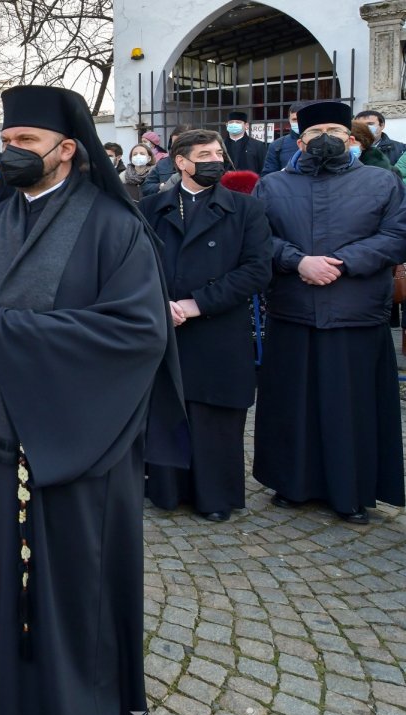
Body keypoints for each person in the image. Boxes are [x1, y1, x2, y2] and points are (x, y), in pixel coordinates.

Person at [0, 85, 186, 715]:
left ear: (66, 150)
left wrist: (7, 331)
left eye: (23, 143)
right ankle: (3, 700)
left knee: (64, 590)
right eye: (6, 140)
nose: (6, 154)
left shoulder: (113, 225)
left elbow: (138, 332)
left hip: (70, 448)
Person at [252, 100, 406, 523]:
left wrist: (342, 261)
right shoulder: (272, 186)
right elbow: (258, 239)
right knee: (292, 405)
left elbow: (397, 234)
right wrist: (298, 261)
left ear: (351, 140)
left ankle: (351, 491)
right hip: (294, 310)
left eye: (335, 133)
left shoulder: (383, 181)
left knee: (351, 408)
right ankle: (291, 484)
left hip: (355, 313)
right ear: (299, 141)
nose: (326, 140)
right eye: (316, 133)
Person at [139, 130, 272, 521]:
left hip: (218, 327)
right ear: (181, 162)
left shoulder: (245, 209)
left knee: (216, 415)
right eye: (205, 153)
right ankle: (166, 489)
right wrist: (160, 303)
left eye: (219, 152)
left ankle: (216, 496)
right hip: (166, 326)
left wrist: (197, 304)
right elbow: (134, 264)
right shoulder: (151, 207)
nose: (217, 159)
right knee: (168, 407)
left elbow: (257, 270)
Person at [142, 125, 190, 195]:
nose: (178, 146)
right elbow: (146, 188)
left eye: (183, 143)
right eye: (175, 143)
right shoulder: (162, 164)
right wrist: (162, 186)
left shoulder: (202, 163)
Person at [262, 101, 306, 175]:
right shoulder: (277, 145)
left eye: (302, 118)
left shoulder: (320, 141)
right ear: (289, 120)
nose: (299, 122)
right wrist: (280, 176)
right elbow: (267, 176)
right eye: (295, 119)